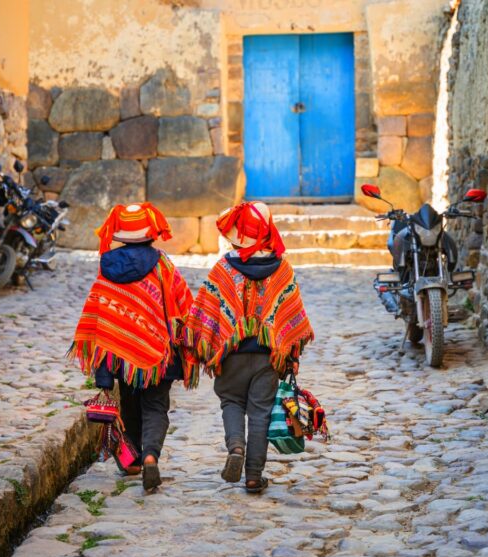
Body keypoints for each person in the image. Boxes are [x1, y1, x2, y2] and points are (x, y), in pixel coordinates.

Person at [187, 201, 313, 493]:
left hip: (230, 356)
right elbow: (292, 316)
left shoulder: (223, 269)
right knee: (261, 413)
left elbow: (204, 311)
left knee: (231, 401)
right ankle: (254, 476)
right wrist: (291, 355)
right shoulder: (282, 270)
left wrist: (204, 346)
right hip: (267, 358)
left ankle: (236, 448)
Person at [69, 203, 194, 491]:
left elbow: (99, 313)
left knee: (130, 405)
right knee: (155, 407)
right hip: (158, 353)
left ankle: (133, 461)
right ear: (150, 234)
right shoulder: (162, 264)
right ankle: (151, 456)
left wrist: (105, 361)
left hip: (122, 355)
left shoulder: (108, 267)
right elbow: (183, 302)